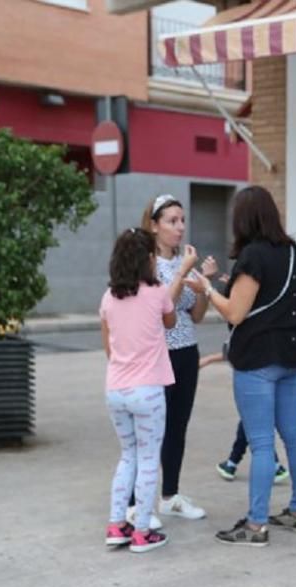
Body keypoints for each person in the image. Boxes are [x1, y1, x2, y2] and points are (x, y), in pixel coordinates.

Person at [186, 186, 296, 547]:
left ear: (243, 218)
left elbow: (236, 312)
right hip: (292, 356)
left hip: (257, 358)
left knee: (260, 443)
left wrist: (207, 290)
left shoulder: (253, 256)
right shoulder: (294, 252)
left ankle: (256, 525)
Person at [127, 194, 212, 527]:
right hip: (155, 354)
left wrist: (203, 288)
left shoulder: (184, 261)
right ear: (154, 225)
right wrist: (182, 273)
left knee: (178, 425)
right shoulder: (146, 264)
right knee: (149, 430)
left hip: (186, 351)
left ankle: (170, 496)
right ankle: (136, 503)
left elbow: (196, 315)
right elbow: (160, 309)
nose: (179, 228)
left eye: (182, 220)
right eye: (172, 221)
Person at [100, 228, 176, 553]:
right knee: (148, 459)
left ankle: (117, 525)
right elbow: (170, 322)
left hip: (116, 388)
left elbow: (108, 347)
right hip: (148, 391)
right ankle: (143, 531)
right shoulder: (157, 292)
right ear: (148, 260)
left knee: (127, 456)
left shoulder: (107, 298)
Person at [199, 348, 289, 484]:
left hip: (254, 380)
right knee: (252, 424)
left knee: (252, 425)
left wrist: (209, 359)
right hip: (271, 380)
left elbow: (233, 348)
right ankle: (233, 463)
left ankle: (236, 463)